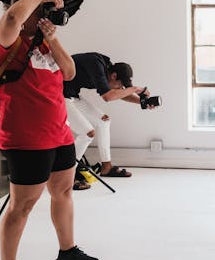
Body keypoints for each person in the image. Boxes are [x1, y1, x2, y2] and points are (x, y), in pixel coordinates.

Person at [0, 0, 98, 260]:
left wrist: (53, 38)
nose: (44, 17)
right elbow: (12, 17)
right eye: (39, 11)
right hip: (25, 137)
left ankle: (67, 251)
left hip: (58, 132)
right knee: (22, 205)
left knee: (63, 191)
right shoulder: (5, 39)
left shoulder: (44, 43)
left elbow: (70, 72)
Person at [64, 52, 153, 183]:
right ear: (114, 75)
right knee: (87, 133)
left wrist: (142, 102)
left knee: (104, 121)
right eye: (120, 85)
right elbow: (108, 96)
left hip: (72, 95)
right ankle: (66, 177)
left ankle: (106, 167)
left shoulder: (106, 71)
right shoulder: (96, 64)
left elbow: (117, 94)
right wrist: (134, 89)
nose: (120, 89)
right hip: (58, 95)